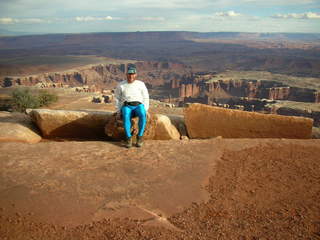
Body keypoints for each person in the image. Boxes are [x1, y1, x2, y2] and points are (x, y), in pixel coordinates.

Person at [114, 65, 149, 148]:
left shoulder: (141, 84)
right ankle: (128, 138)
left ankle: (139, 137)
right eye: (129, 74)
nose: (131, 76)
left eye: (133, 74)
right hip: (127, 105)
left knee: (143, 115)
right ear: (126, 74)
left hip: (138, 105)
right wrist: (118, 111)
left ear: (135, 75)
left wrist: (146, 109)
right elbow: (117, 98)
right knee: (126, 116)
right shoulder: (121, 85)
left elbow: (146, 97)